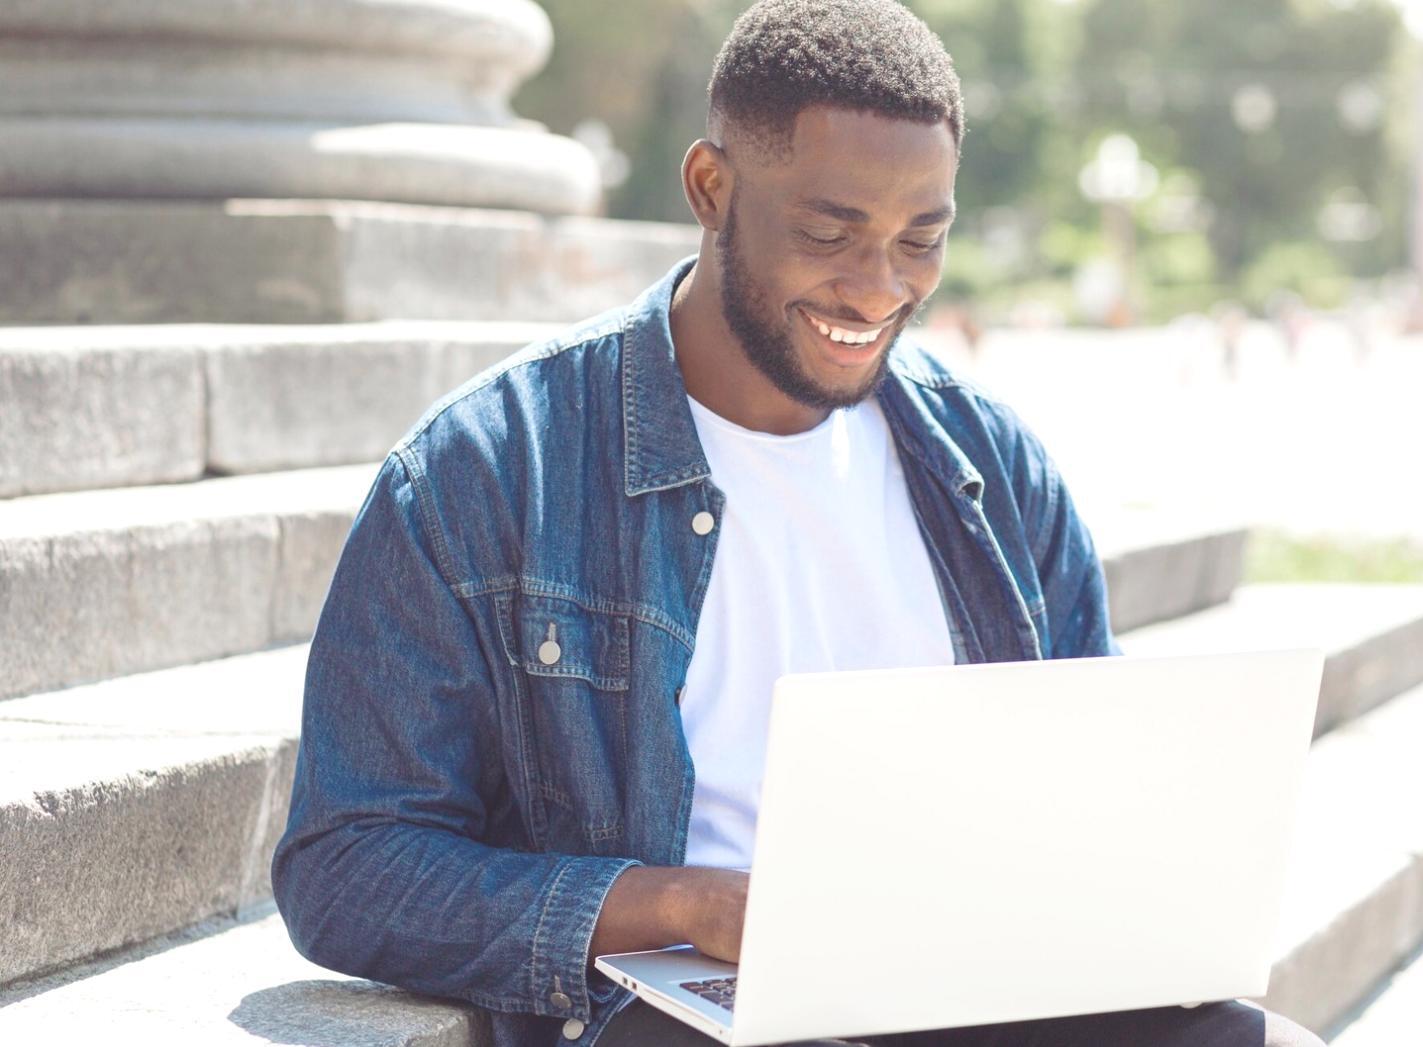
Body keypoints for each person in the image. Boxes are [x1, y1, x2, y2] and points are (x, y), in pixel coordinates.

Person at [271, 2, 1325, 1045]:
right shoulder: (491, 470)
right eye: (829, 232)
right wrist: (680, 906)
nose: (877, 289)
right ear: (709, 188)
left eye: (921, 241)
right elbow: (347, 864)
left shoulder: (989, 466)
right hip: (678, 1013)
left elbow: (1091, 792)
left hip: (972, 983)